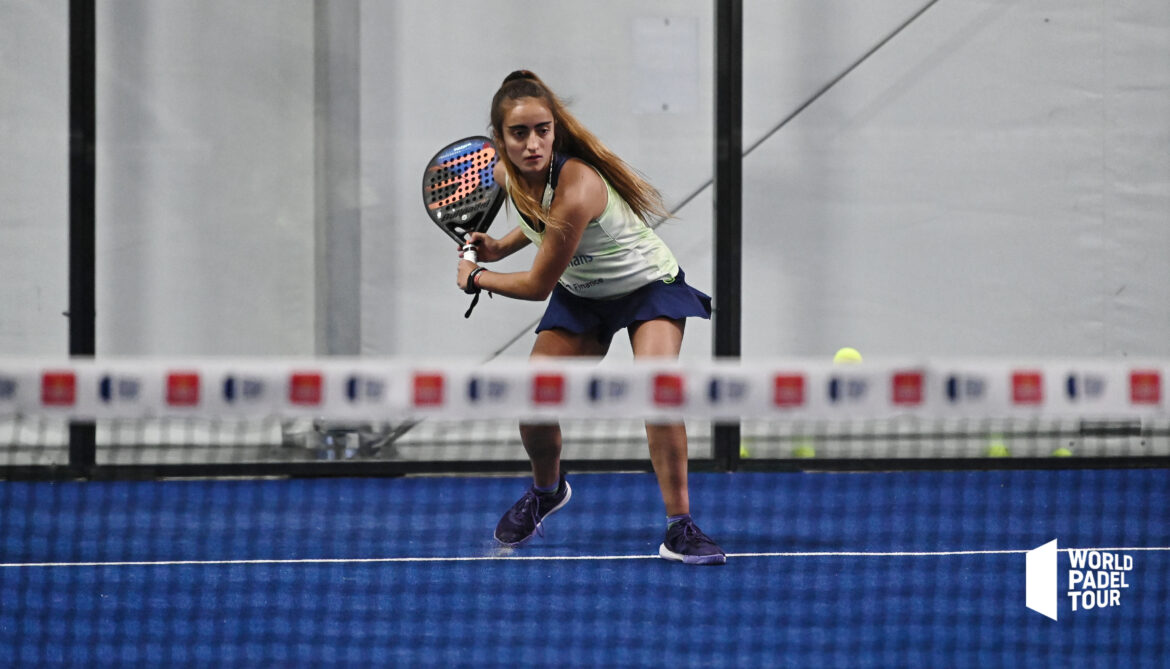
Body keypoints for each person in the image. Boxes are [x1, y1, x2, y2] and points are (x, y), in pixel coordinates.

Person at [455, 70, 725, 565]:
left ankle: (680, 527)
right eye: (519, 133)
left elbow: (538, 285)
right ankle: (547, 490)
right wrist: (498, 246)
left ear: (554, 130)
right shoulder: (505, 176)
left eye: (542, 130)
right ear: (499, 139)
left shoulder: (578, 184)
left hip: (647, 287)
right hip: (584, 294)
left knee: (658, 390)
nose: (533, 143)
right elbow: (538, 219)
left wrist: (477, 278)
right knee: (534, 396)